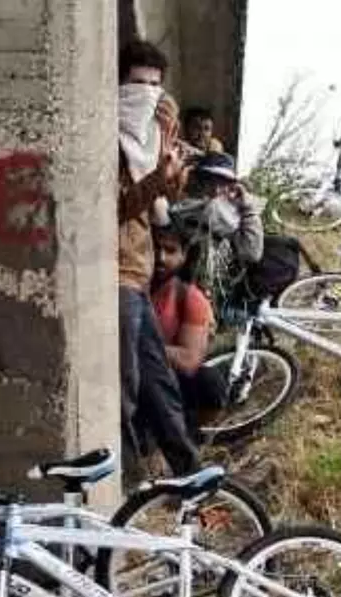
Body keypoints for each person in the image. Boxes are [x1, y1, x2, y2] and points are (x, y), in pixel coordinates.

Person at [115, 39, 201, 479]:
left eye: (154, 85)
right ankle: (125, 482)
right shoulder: (110, 142)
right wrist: (156, 178)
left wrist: (173, 177)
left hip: (136, 276)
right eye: (136, 83)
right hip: (114, 276)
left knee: (159, 384)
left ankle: (192, 480)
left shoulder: (147, 139)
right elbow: (117, 207)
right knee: (126, 386)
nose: (146, 93)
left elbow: (159, 207)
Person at [151, 225, 229, 432]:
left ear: (184, 256)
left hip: (164, 379)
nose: (160, 257)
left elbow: (188, 360)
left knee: (210, 384)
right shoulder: (129, 286)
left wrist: (141, 346)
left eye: (170, 250)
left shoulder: (191, 298)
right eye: (154, 248)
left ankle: (185, 431)